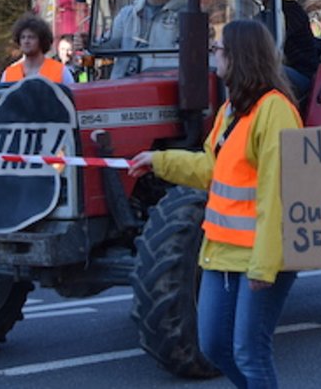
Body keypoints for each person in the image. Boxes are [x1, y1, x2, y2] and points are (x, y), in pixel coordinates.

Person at [129, 20, 302, 388]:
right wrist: (159, 161)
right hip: (221, 252)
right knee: (214, 347)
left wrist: (265, 265)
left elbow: (278, 193)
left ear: (239, 55)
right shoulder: (231, 111)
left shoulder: (275, 111)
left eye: (218, 49)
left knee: (249, 352)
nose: (213, 55)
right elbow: (211, 167)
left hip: (259, 255)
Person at [103, 0, 187, 74]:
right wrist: (91, 43)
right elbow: (111, 45)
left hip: (160, 84)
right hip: (123, 85)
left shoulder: (184, 16)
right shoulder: (127, 15)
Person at [2, 15, 71, 84]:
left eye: (31, 37)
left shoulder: (61, 71)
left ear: (42, 40)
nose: (26, 41)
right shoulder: (8, 74)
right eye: (23, 37)